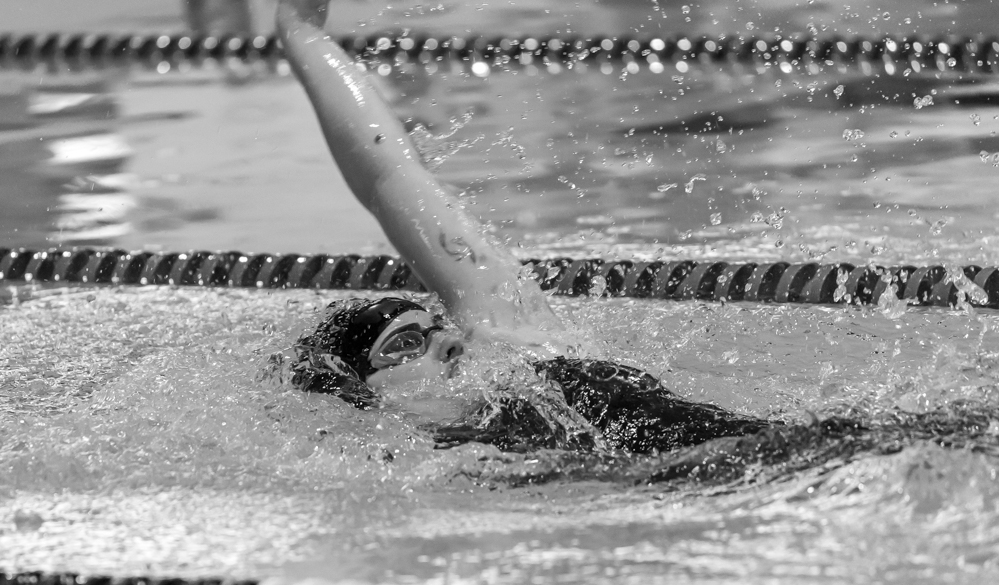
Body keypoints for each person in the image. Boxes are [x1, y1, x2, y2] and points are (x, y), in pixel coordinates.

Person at [276, 0, 995, 479]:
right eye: (406, 344)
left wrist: (301, 34)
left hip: (806, 458)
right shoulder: (414, 469)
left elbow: (391, 175)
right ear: (360, 396)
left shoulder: (515, 345)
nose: (446, 340)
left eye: (435, 325)